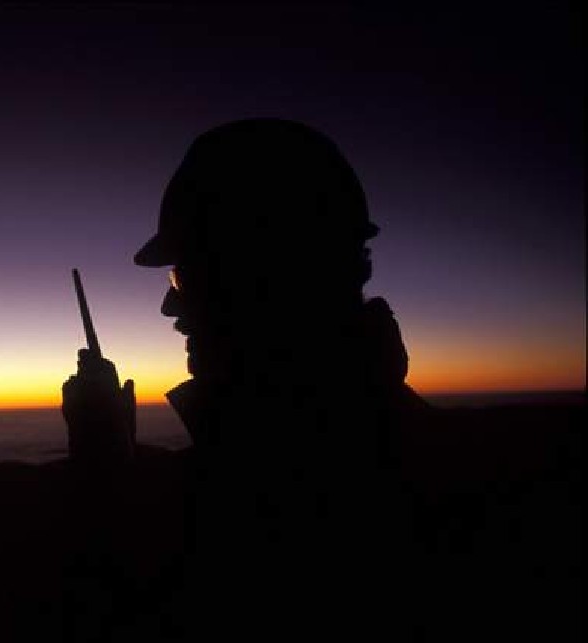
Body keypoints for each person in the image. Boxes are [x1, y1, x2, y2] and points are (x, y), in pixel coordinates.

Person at [61, 118, 426, 640]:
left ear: (271, 268)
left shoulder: (307, 495)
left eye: (186, 275)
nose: (170, 306)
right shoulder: (374, 442)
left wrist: (101, 478)